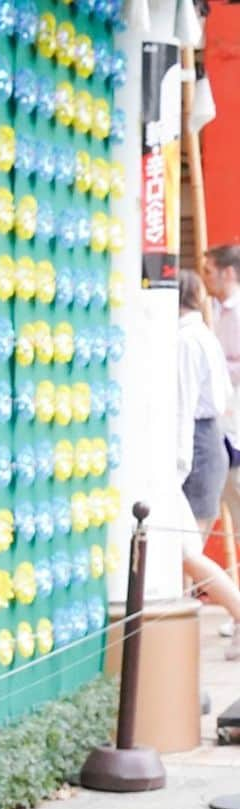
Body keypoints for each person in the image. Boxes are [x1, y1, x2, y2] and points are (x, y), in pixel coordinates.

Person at [176, 268, 240, 661]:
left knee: (185, 551)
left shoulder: (186, 340)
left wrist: (178, 465)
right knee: (185, 552)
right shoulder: (202, 334)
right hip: (209, 441)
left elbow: (184, 406)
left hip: (197, 446)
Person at [200, 243, 240, 637]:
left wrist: (218, 363)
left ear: (228, 272)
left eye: (210, 271)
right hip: (227, 437)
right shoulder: (221, 314)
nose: (206, 278)